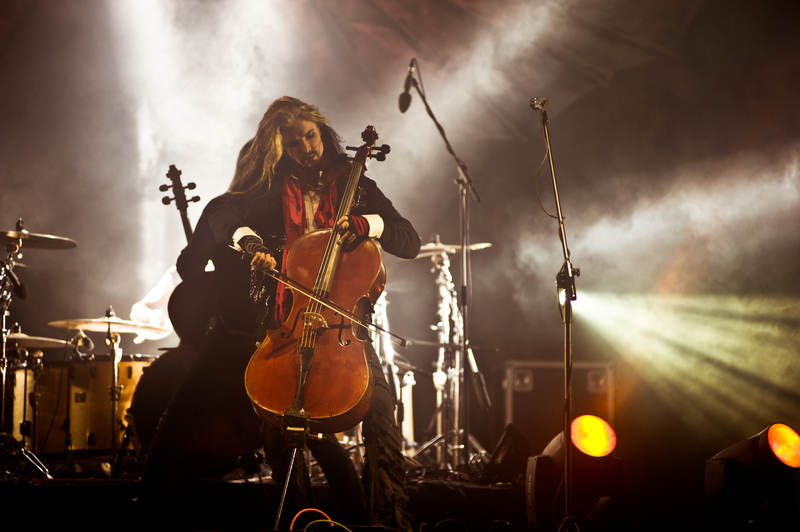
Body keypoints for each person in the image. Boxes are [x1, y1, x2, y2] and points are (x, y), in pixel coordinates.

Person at [141, 96, 420, 531]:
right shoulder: (267, 190)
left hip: (340, 328)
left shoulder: (356, 185)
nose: (306, 148)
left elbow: (409, 240)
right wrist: (248, 245)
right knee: (279, 429)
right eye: (292, 144)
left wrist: (368, 225)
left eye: (310, 136)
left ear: (323, 132)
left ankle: (388, 522)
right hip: (275, 327)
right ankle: (301, 524)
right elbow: (224, 216)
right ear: (278, 150)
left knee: (380, 406)